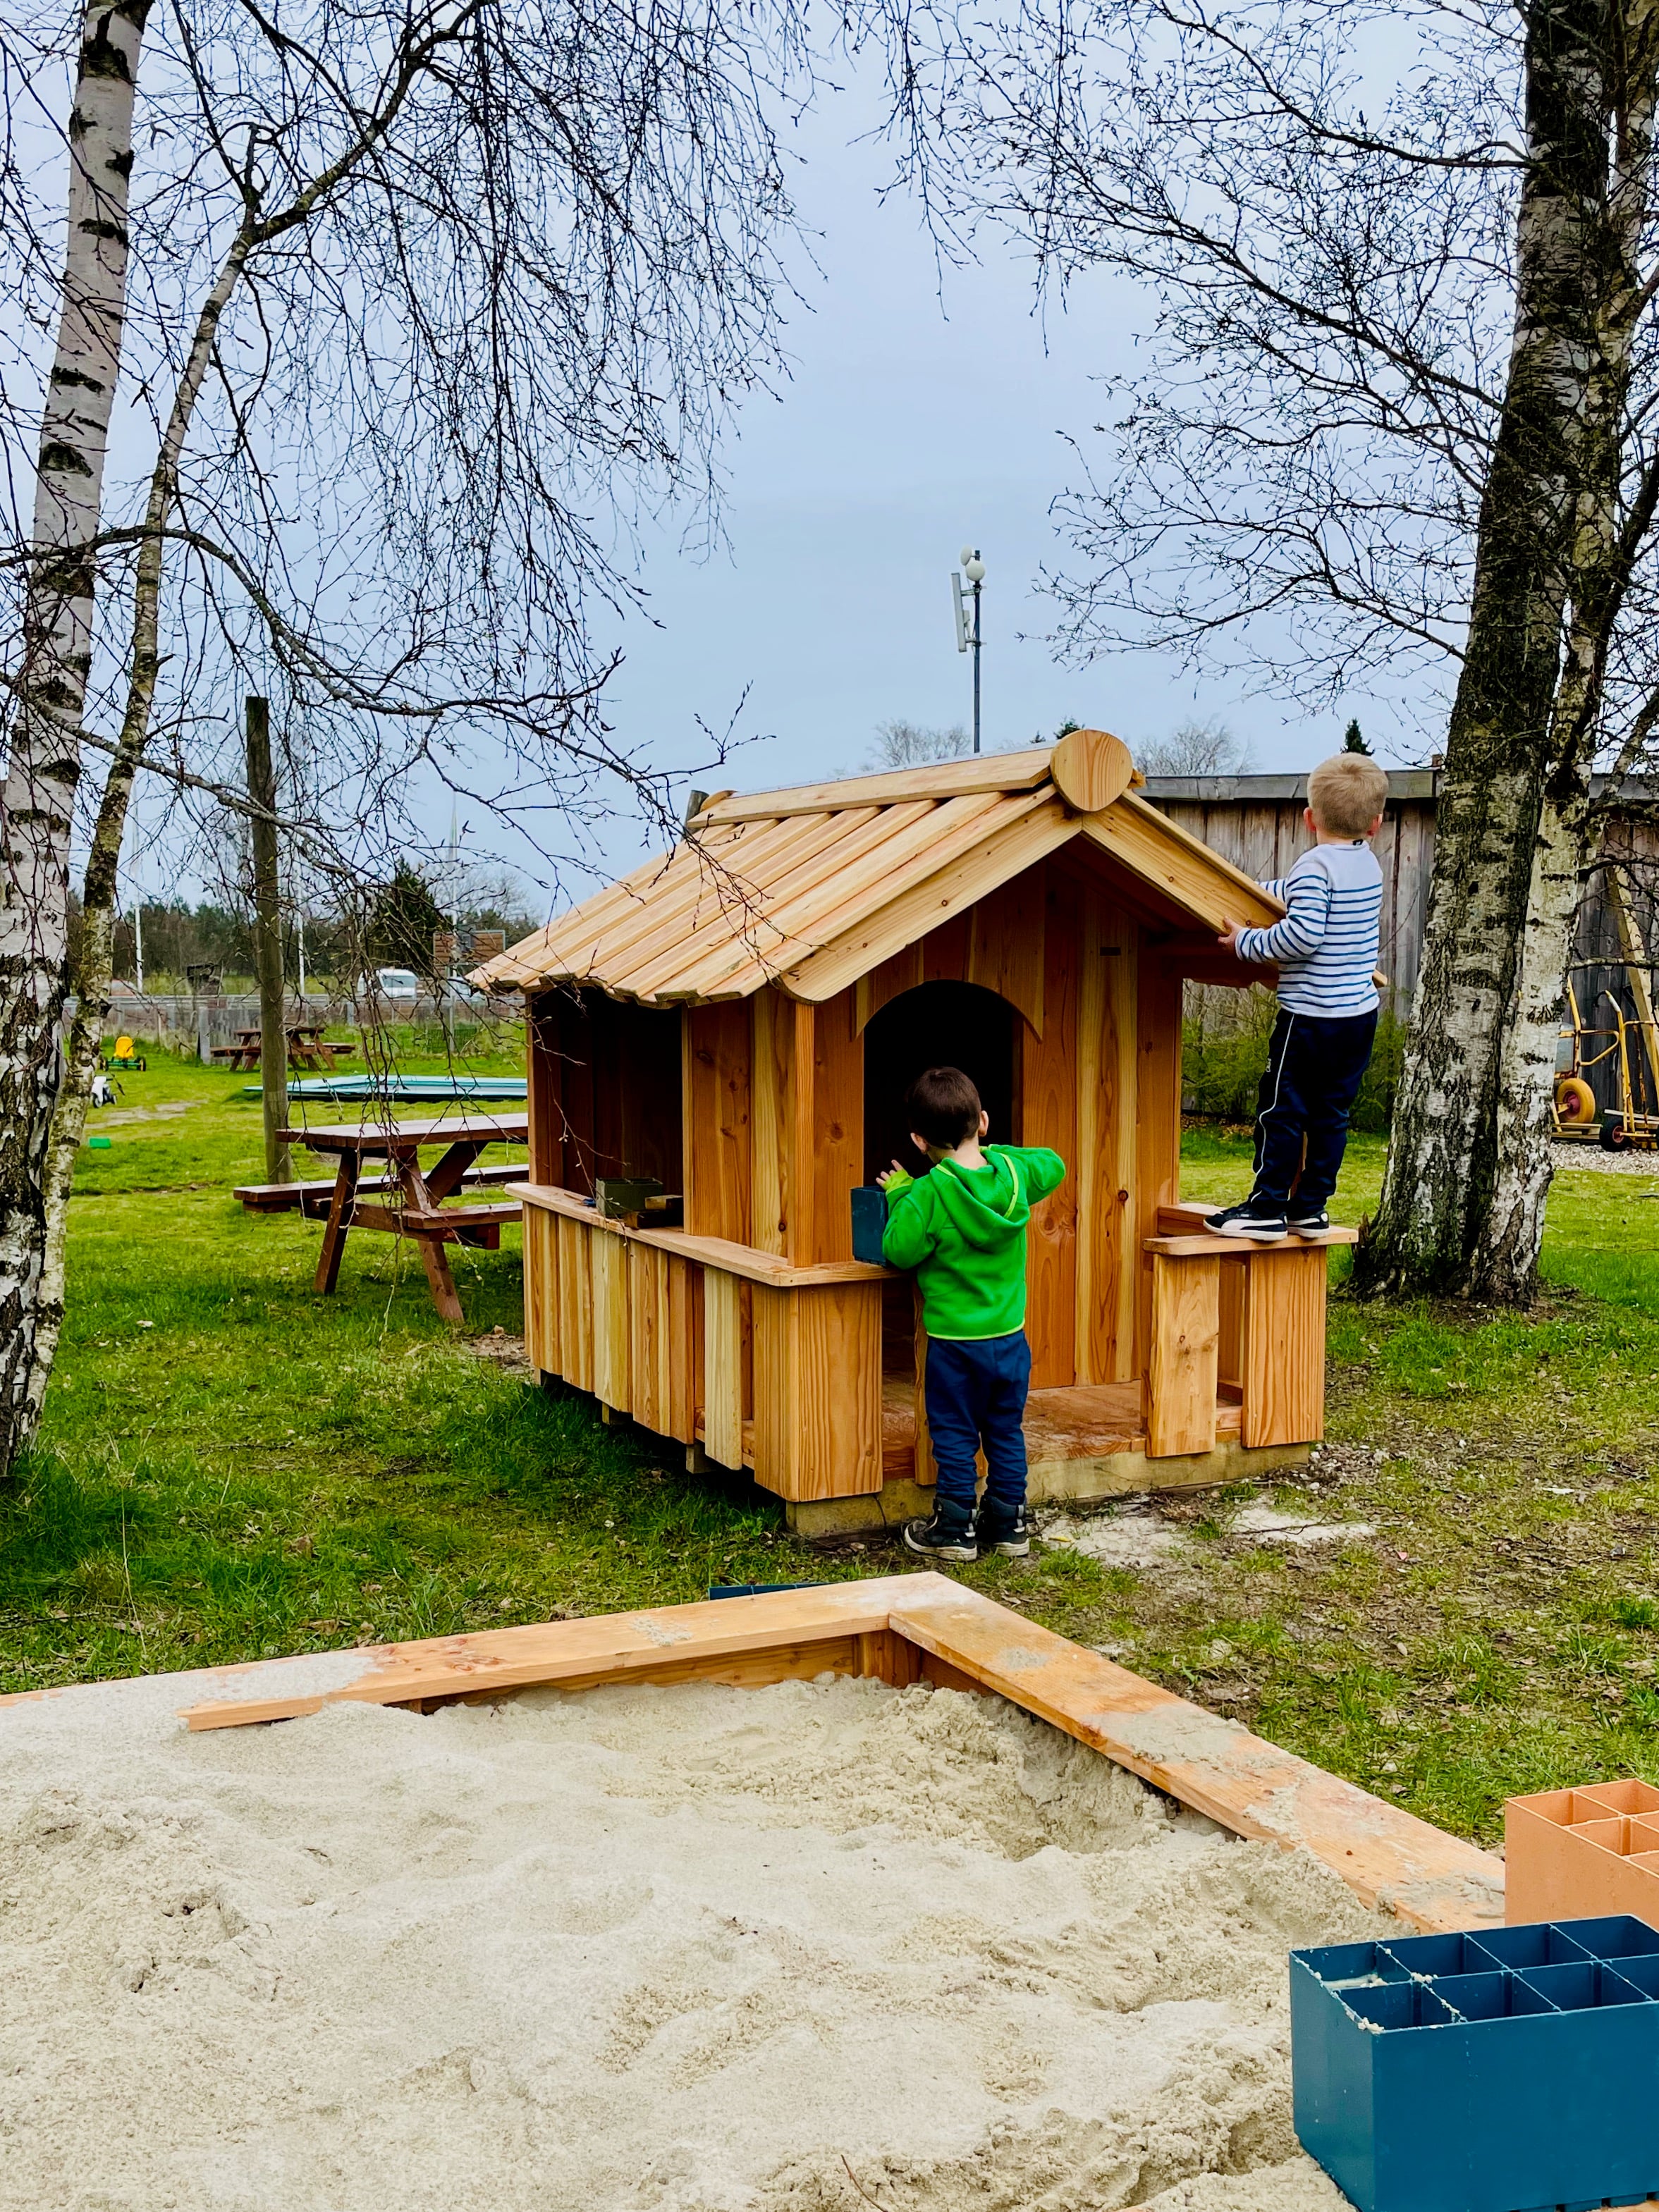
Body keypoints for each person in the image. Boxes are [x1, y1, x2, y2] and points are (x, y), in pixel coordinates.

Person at [877, 1066, 1066, 1564]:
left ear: (919, 1140)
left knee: (955, 1431)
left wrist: (898, 1193)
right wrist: (997, 1157)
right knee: (1005, 1429)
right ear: (982, 1121)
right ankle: (1008, 1523)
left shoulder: (925, 1194)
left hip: (954, 1344)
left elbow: (898, 1250)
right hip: (1008, 1339)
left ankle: (955, 1528)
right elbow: (1053, 1163)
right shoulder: (1015, 1174)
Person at [1206, 750, 1390, 1241]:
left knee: (1280, 1110)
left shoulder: (1314, 865)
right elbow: (1291, 892)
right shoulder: (1366, 866)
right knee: (1331, 1114)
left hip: (1310, 1019)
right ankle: (1309, 1207)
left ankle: (1266, 1206)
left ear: (1309, 817)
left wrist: (1245, 943)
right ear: (1375, 824)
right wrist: (1248, 893)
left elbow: (1302, 934)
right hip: (1356, 1018)